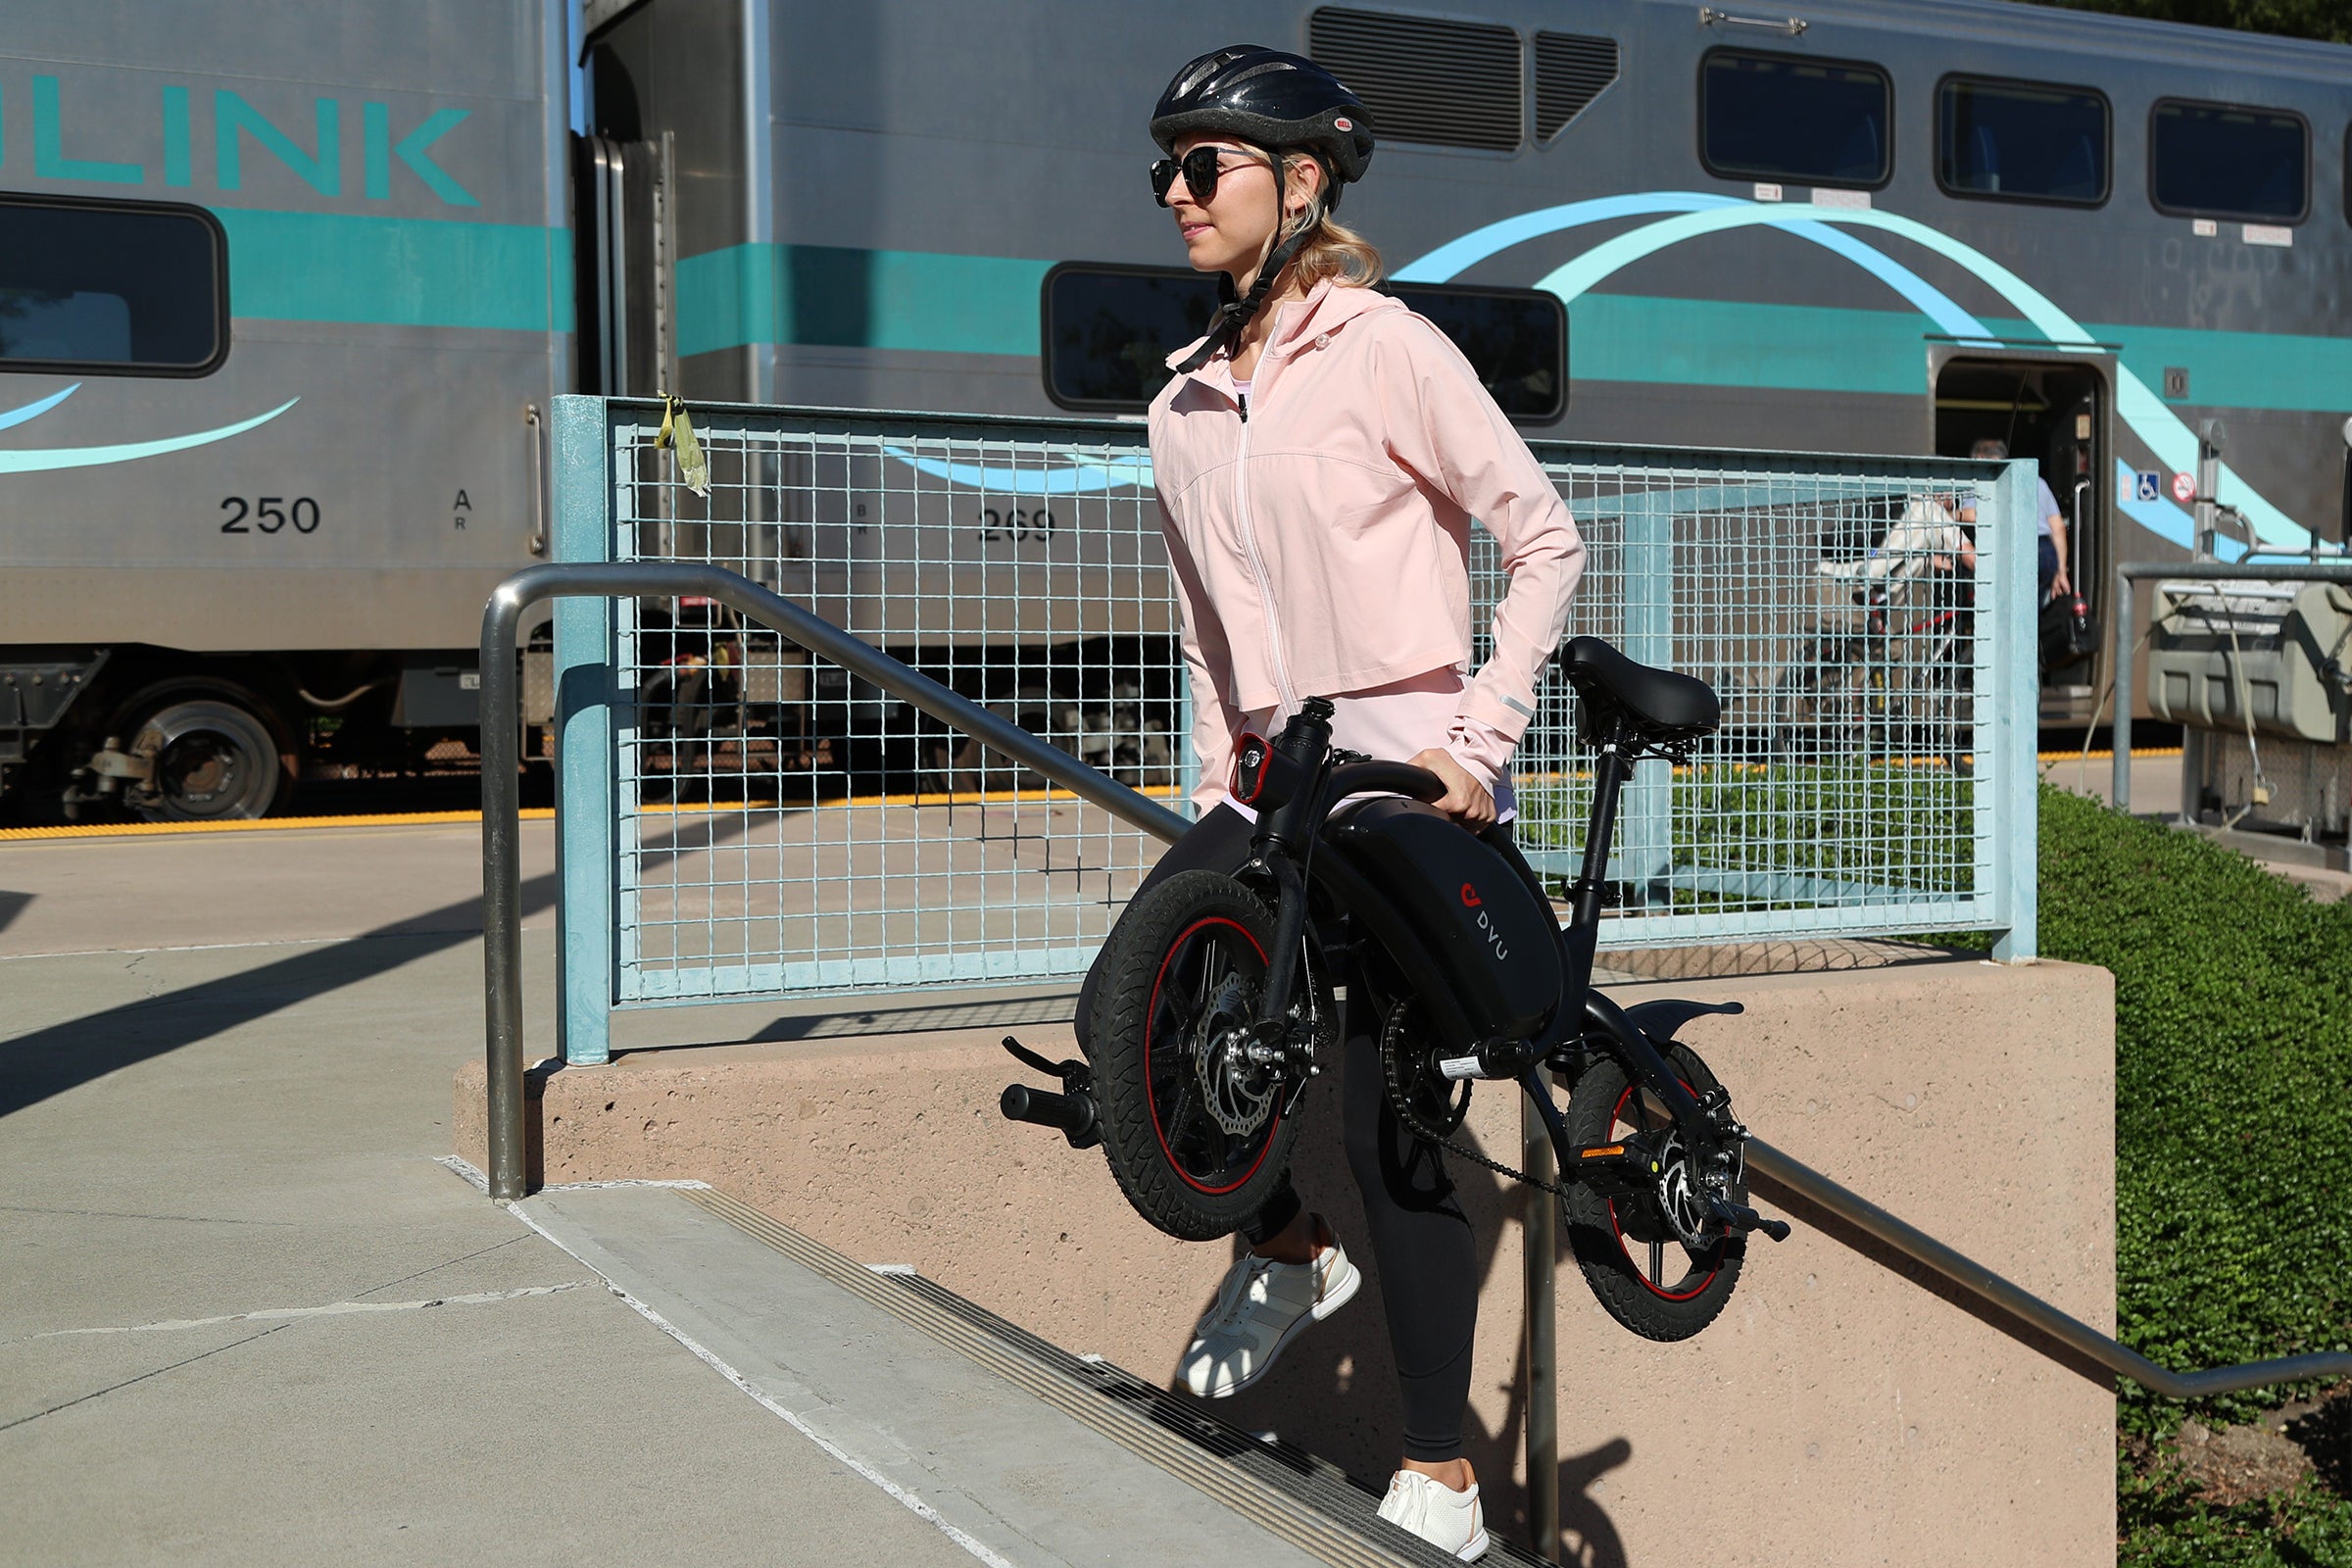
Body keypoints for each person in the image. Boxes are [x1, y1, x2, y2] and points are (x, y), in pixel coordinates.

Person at [1074, 46, 1585, 1561]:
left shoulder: (1390, 350)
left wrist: (1478, 746)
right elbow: (1204, 627)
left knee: (1384, 1118)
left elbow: (1542, 542)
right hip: (1279, 784)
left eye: (1202, 166)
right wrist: (1222, 770)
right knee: (1138, 1016)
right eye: (1163, 167)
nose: (1174, 191)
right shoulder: (1179, 404)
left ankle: (1443, 1474)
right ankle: (1286, 1251)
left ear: (1300, 186)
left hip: (1407, 772)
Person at [1967, 438, 2068, 604]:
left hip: (2013, 548)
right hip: (2045, 550)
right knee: (2033, 608)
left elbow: (1972, 515)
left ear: (1978, 458)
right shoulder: (2038, 482)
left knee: (2007, 607)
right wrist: (2061, 570)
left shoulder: (1984, 482)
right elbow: (2058, 527)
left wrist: (1948, 515)